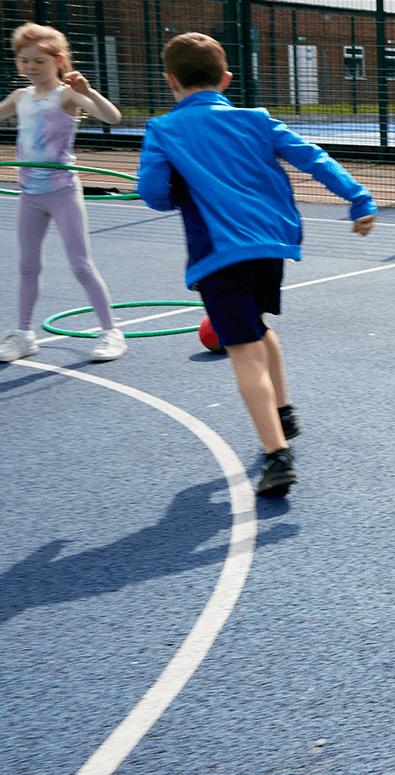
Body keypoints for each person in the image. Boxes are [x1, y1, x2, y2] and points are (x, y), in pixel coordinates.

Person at [137, 32, 376, 498]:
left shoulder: (163, 130)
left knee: (243, 350)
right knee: (258, 326)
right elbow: (315, 159)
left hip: (220, 253)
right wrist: (358, 199)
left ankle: (276, 455)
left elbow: (155, 195)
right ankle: (283, 410)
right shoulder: (258, 120)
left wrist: (176, 182)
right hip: (271, 246)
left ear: (170, 82)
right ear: (225, 79)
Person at [0, 22, 128, 363]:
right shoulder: (21, 97)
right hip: (29, 193)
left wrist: (89, 93)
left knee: (80, 265)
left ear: (58, 60)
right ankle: (23, 335)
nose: (30, 67)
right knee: (27, 266)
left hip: (62, 191)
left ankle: (110, 332)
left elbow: (113, 117)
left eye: (38, 61)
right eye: (24, 60)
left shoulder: (67, 94)